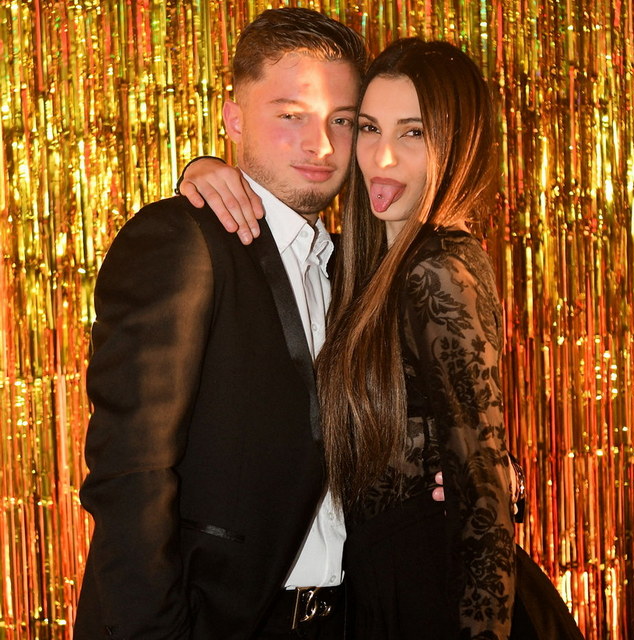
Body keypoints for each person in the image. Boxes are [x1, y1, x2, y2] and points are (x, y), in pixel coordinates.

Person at [182, 37, 584, 640]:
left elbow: (484, 499)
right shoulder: (357, 265)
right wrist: (204, 169)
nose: (382, 157)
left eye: (413, 133)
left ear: (457, 143)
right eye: (369, 127)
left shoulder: (441, 268)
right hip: (372, 590)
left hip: (436, 596)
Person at [74, 8, 368, 640]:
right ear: (234, 120)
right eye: (291, 115)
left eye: (341, 120)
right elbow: (131, 473)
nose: (321, 145)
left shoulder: (355, 269)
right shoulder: (181, 240)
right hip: (209, 621)